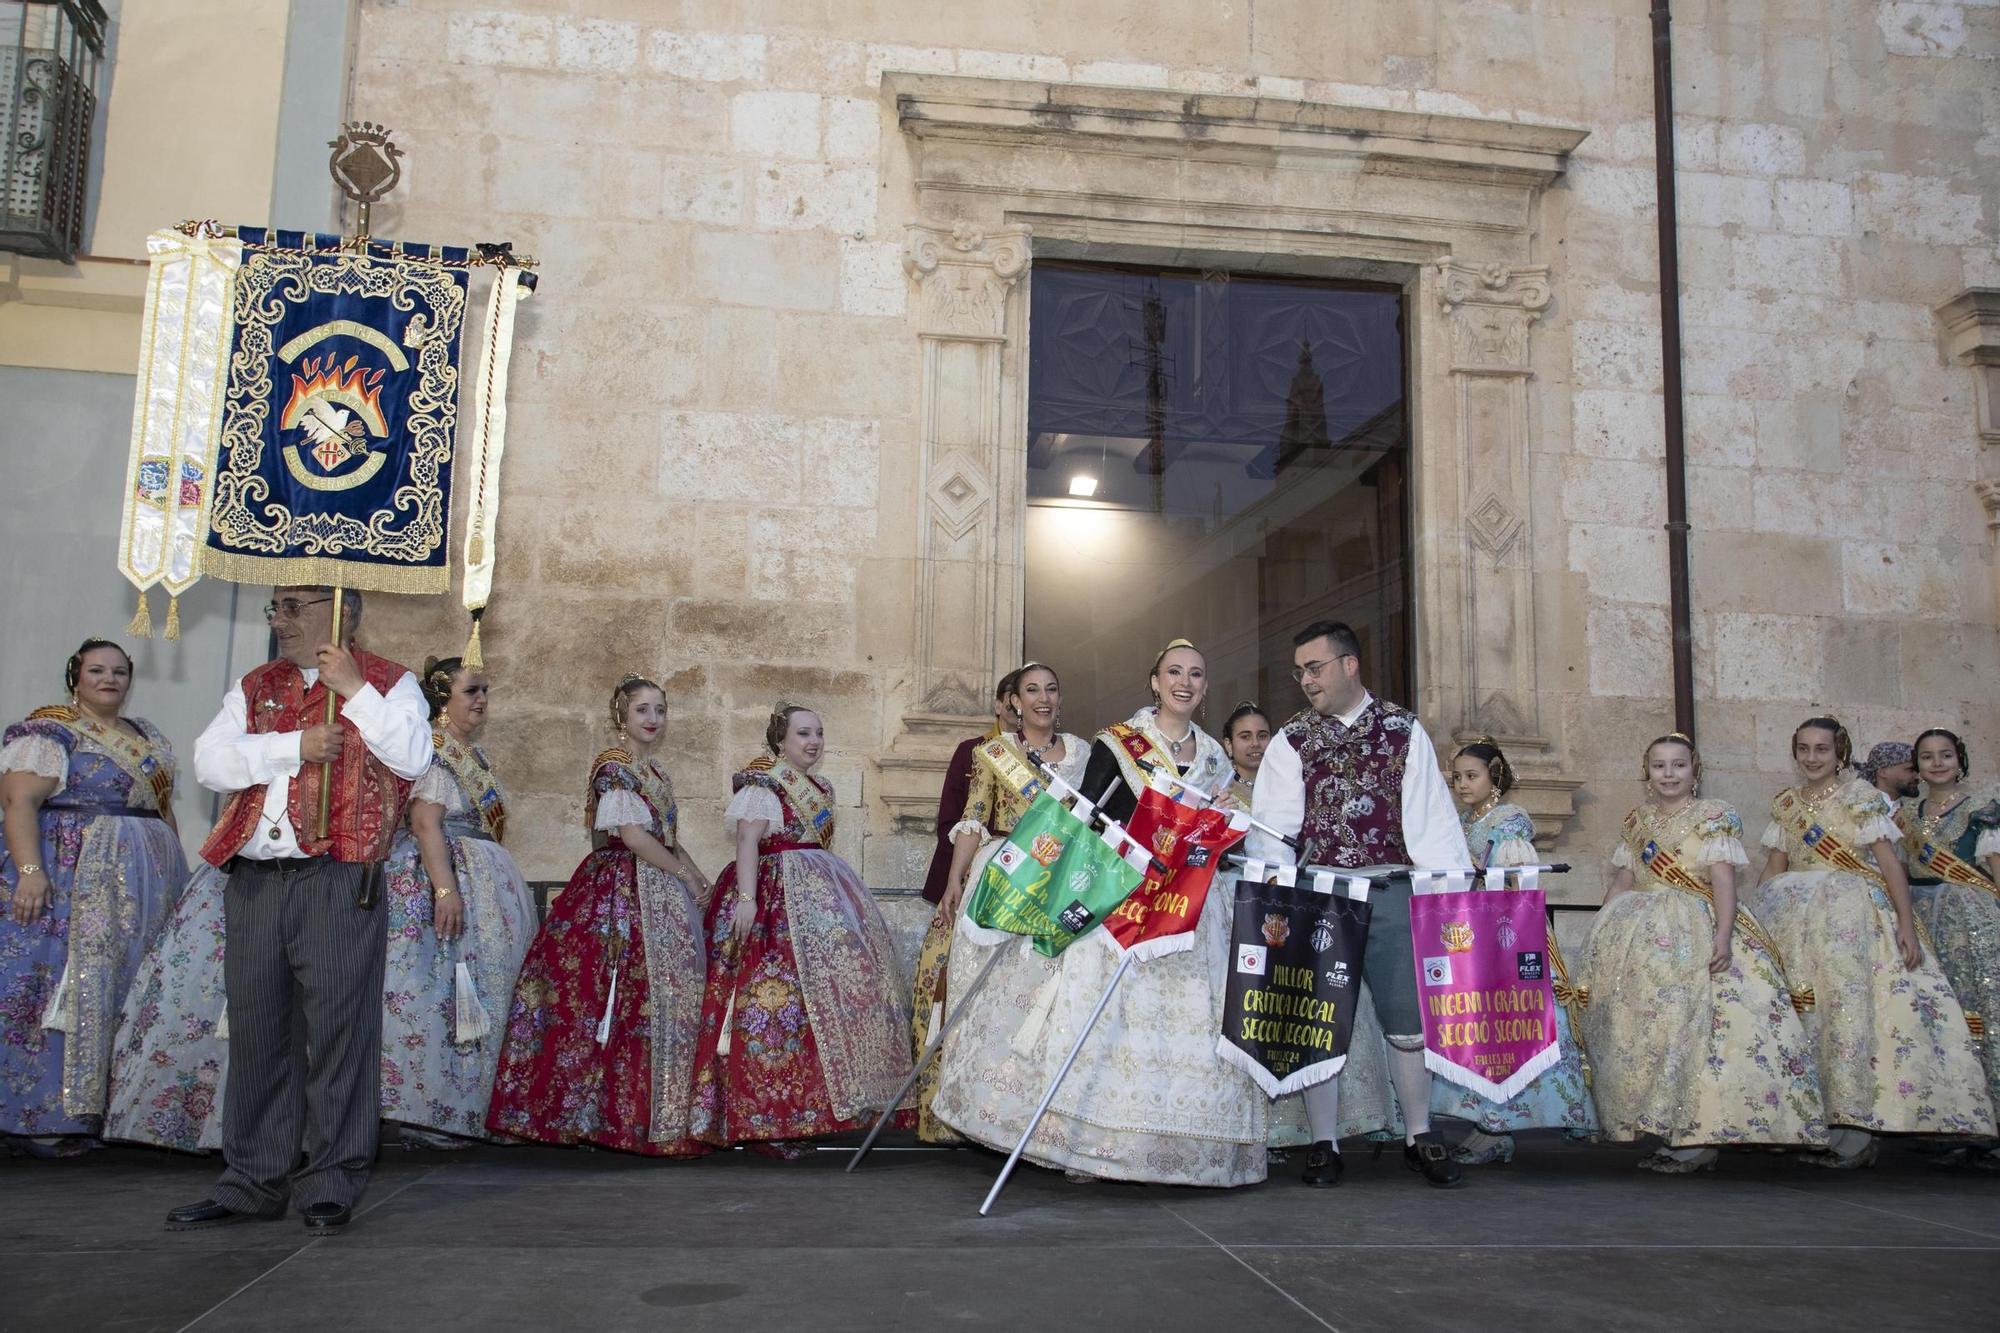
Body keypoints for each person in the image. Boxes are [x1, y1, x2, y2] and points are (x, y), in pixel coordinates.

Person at [932, 639, 1269, 1187]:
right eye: (1174, 673)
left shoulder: (1214, 757)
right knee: (1106, 1025)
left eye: (1197, 675)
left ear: (1205, 689)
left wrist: (1226, 819)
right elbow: (1088, 820)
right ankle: (1091, 1147)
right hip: (1123, 901)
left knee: (1189, 1026)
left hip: (1191, 913)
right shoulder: (1118, 744)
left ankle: (1181, 1150)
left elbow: (1225, 846)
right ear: (1155, 682)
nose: (1185, 682)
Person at [166, 588, 431, 1232]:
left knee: (339, 1030)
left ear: (342, 612)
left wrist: (354, 689)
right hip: (256, 879)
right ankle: (253, 1180)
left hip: (341, 877)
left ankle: (330, 1180)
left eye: (294, 607)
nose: (279, 620)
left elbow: (414, 757)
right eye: (275, 608)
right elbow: (210, 763)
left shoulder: (392, 683)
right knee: (258, 1029)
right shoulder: (256, 685)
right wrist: (290, 748)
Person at [1249, 620, 1471, 1188]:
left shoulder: (1403, 730)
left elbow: (1432, 817)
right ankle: (1323, 1143)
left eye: (1314, 667)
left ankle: (1420, 1135)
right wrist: (1277, 897)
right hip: (1321, 896)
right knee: (1317, 1019)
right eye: (1299, 671)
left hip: (1394, 889)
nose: (1305, 680)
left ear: (1350, 664)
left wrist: (1446, 896)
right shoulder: (1292, 738)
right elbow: (1273, 828)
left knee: (1408, 1018)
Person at [1749, 716, 1992, 1168]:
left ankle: (1857, 1133)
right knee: (1804, 1017)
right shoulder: (1786, 804)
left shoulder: (1863, 799)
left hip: (1850, 916)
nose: (1812, 757)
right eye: (1803, 749)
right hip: (1791, 913)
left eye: (1822, 749)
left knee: (1849, 1015)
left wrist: (1904, 920)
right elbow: (1775, 866)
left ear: (1840, 752)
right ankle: (1816, 1121)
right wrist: (1756, 921)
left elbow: (1889, 865)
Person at [485, 674, 712, 1155]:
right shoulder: (614, 767)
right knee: (604, 997)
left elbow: (667, 837)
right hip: (617, 890)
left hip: (658, 885)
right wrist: (684, 876)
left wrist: (694, 874)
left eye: (660, 710)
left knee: (654, 1001)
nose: (653, 719)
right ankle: (596, 1116)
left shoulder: (657, 774)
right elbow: (631, 835)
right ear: (621, 718)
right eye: (642, 710)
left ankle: (648, 1114)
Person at [1578, 734, 1825, 1173]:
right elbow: (1624, 878)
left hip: (1695, 930)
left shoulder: (1713, 816)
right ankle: (1672, 1129)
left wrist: (1724, 935)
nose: (1668, 774)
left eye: (1678, 765)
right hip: (1642, 937)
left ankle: (1698, 1137)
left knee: (1699, 1034)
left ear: (1695, 771)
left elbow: (1723, 880)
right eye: (1659, 766)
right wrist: (1603, 926)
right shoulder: (1638, 821)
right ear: (1647, 772)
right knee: (1655, 1034)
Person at [688, 705, 913, 1151]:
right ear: (780, 741)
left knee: (819, 1005)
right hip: (773, 897)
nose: (813, 741)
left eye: (819, 733)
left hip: (819, 895)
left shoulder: (822, 786)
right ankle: (766, 1117)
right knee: (772, 1004)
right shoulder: (764, 784)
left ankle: (811, 1111)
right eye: (803, 733)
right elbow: (747, 842)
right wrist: (748, 901)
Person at [2, 638, 186, 1157]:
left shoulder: (145, 736)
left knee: (128, 987)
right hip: (71, 877)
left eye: (120, 672)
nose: (110, 679)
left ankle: (113, 1113)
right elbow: (18, 802)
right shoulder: (49, 732)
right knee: (59, 984)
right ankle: (44, 1117)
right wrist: (30, 872)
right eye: (98, 670)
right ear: (75, 677)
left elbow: (161, 809)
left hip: (143, 879)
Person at [910, 663, 1086, 1143]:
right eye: (1032, 690)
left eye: (1051, 688)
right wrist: (953, 882)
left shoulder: (1085, 753)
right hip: (1003, 873)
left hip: (1057, 880)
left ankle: (1041, 1121)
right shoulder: (993, 753)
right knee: (991, 1000)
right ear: (1015, 702)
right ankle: (987, 1114)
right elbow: (972, 820)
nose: (1043, 698)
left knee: (1047, 1003)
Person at [379, 657, 537, 1146]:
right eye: (471, 691)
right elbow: (426, 824)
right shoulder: (433, 748)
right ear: (443, 697)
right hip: (445, 878)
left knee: (483, 993)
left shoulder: (476, 755)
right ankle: (428, 1108)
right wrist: (445, 890)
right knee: (439, 991)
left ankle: (471, 1106)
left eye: (485, 690)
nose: (481, 700)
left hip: (483, 877)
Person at [1432, 738, 1595, 1166]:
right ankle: (1486, 1122)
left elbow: (1515, 885)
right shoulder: (1468, 820)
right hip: (1472, 931)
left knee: (1506, 1024)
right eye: (1458, 778)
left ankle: (1498, 1125)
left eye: (1472, 775)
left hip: (1502, 934)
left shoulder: (1509, 820)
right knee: (1480, 1028)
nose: (1463, 784)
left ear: (1495, 777)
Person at [1901, 727, 2000, 1167]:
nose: (1937, 763)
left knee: (1980, 1011)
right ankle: (1952, 1120)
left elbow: (1994, 866)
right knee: (1938, 1016)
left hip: (1967, 915)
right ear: (1917, 766)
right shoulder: (1904, 812)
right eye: (1926, 757)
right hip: (1921, 916)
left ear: (1960, 760)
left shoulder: (1982, 808)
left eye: (1945, 755)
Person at [919, 676, 1014, 906]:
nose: (1018, 709)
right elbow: (949, 818)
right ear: (998, 705)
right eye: (1012, 703)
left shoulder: (1040, 758)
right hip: (971, 868)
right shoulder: (971, 750)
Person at [1222, 701, 1271, 808]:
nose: (1255, 743)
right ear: (1229, 745)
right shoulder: (1219, 786)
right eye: (1245, 737)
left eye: (1262, 736)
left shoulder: (1285, 783)